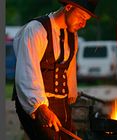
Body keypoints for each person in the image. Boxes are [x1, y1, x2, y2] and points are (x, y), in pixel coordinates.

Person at [12, 0, 100, 139]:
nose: (83, 24)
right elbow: (27, 71)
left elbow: (68, 69)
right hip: (38, 103)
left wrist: (70, 96)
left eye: (86, 20)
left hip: (61, 104)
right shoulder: (36, 30)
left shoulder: (72, 36)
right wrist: (40, 108)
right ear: (69, 7)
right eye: (81, 17)